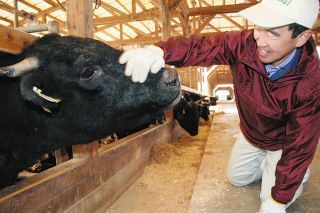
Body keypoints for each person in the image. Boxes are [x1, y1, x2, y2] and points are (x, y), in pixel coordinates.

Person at [119, 0, 320, 212]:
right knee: (237, 179)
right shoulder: (243, 44)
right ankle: (267, 165)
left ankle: (294, 173)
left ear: (301, 38)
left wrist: (278, 200)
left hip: (282, 141)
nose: (259, 40)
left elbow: (300, 145)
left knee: (270, 198)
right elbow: (204, 46)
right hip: (252, 132)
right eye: (258, 27)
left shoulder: (311, 84)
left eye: (273, 33)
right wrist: (160, 51)